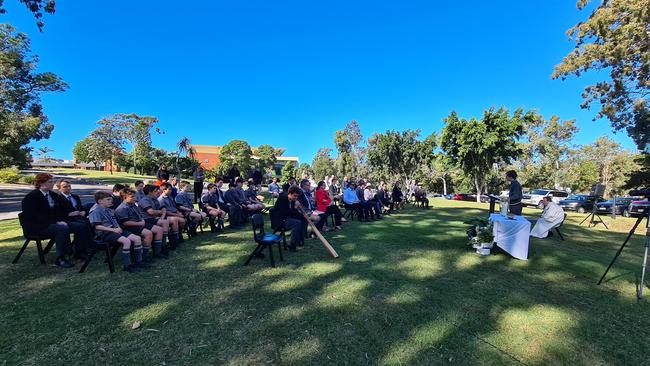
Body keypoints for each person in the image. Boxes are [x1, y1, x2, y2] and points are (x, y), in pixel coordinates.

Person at [21, 173, 74, 268]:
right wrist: (56, 222)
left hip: (51, 223)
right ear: (41, 183)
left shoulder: (53, 195)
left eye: (52, 181)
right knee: (62, 229)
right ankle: (60, 258)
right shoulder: (31, 197)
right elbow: (33, 216)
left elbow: (59, 211)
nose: (53, 184)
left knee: (77, 225)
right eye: (50, 182)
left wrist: (61, 220)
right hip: (37, 227)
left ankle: (77, 251)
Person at [89, 191, 144, 273]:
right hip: (105, 233)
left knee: (137, 239)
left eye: (110, 199)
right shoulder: (95, 211)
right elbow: (97, 226)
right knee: (126, 241)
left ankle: (139, 262)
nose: (111, 201)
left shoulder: (108, 209)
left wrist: (118, 227)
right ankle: (127, 266)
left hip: (116, 230)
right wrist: (113, 230)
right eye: (108, 199)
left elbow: (114, 221)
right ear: (100, 201)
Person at [115, 188, 165, 260]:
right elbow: (125, 223)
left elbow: (140, 215)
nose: (135, 198)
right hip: (130, 227)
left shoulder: (133, 205)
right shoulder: (122, 208)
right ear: (124, 198)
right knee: (148, 233)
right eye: (132, 197)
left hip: (139, 223)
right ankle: (145, 256)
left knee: (159, 230)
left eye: (135, 196)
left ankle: (157, 253)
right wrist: (140, 223)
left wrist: (141, 221)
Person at [55, 179, 92, 260]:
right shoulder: (58, 198)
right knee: (82, 226)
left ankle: (89, 247)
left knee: (91, 223)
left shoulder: (75, 197)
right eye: (65, 187)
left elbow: (81, 208)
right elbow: (57, 213)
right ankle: (79, 252)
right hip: (67, 220)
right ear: (59, 188)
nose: (68, 188)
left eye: (69, 186)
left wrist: (83, 211)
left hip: (79, 217)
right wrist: (69, 214)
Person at [273, 186, 308, 252]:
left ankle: (300, 240)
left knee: (302, 220)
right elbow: (284, 212)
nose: (296, 198)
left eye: (297, 196)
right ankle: (292, 245)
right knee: (297, 223)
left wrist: (303, 215)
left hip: (286, 219)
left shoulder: (292, 200)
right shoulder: (282, 199)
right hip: (280, 221)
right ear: (290, 193)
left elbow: (293, 213)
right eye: (295, 196)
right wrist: (295, 207)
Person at [138, 184, 172, 251]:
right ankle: (163, 246)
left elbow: (163, 209)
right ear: (150, 192)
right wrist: (160, 212)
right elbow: (150, 212)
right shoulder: (145, 200)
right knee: (165, 222)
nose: (158, 192)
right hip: (146, 219)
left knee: (164, 221)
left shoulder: (155, 199)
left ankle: (162, 246)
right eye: (155, 191)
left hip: (153, 218)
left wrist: (162, 216)